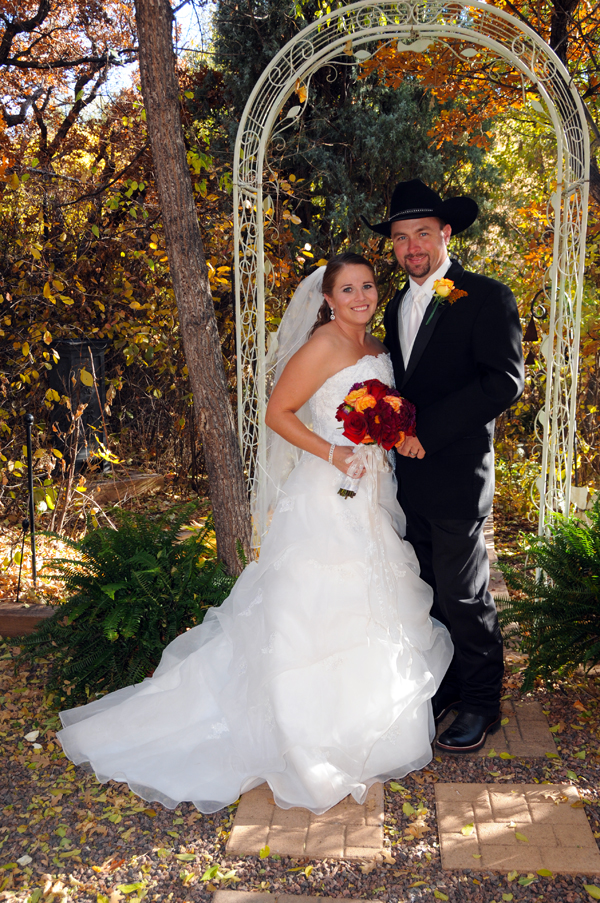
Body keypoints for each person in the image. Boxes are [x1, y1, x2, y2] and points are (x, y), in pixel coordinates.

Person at [57, 253, 453, 815]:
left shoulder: (377, 350)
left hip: (373, 493)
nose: (360, 297)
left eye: (367, 286)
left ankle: (366, 725)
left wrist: (395, 435)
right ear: (328, 298)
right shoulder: (322, 347)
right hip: (328, 494)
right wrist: (335, 452)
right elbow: (279, 412)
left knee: (375, 601)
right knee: (315, 609)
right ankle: (305, 735)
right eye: (347, 289)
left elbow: (383, 414)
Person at [362, 179, 525, 753]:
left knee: (464, 594)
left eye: (423, 234)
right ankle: (448, 686)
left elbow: (503, 381)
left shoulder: (485, 295)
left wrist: (421, 432)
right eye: (402, 238)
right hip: (409, 479)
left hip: (457, 474)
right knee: (428, 591)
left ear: (446, 234)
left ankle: (482, 703)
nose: (412, 247)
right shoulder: (395, 306)